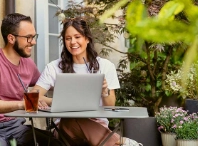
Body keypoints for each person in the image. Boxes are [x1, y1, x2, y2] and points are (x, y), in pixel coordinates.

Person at [32, 17, 142, 146]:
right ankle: (119, 141)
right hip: (65, 129)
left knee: (80, 121)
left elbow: (110, 106)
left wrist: (104, 91)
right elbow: (31, 98)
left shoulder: (105, 66)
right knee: (70, 120)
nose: (73, 42)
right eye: (68, 38)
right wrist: (56, 102)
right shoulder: (54, 67)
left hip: (98, 126)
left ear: (87, 38)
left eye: (77, 37)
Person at [0, 13, 62, 146]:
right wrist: (22, 104)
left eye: (34, 37)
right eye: (28, 37)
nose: (34, 42)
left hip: (16, 127)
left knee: (55, 143)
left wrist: (59, 99)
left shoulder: (28, 64)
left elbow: (41, 89)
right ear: (11, 38)